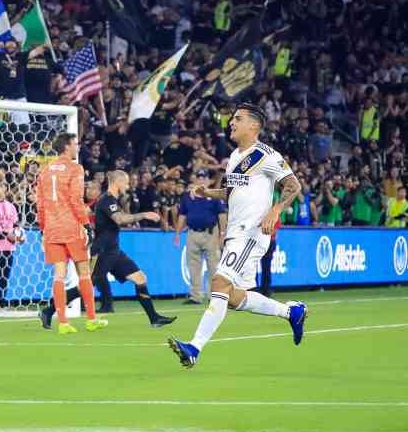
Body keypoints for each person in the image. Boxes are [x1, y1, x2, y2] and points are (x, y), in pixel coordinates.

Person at [169, 103, 306, 369]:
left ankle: (194, 348)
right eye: (232, 119)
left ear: (253, 126)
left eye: (238, 119)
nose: (231, 122)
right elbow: (231, 192)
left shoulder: (265, 154)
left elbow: (293, 185)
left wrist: (275, 211)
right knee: (232, 297)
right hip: (235, 233)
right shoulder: (234, 157)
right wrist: (208, 193)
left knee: (218, 284)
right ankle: (291, 312)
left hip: (252, 231)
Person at [34, 133, 106, 334]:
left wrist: (42, 228)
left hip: (52, 229)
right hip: (71, 227)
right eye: (75, 144)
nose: (78, 147)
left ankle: (63, 323)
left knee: (59, 275)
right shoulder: (75, 169)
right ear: (66, 146)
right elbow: (75, 200)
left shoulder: (45, 171)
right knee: (84, 273)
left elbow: (39, 204)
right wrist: (86, 224)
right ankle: (91, 319)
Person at [92, 170, 177, 328]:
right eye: (125, 182)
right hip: (102, 250)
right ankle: (50, 310)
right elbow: (120, 219)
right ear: (117, 182)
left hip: (113, 250)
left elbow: (121, 216)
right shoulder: (107, 199)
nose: (128, 185)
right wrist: (144, 214)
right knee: (85, 285)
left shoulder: (113, 200)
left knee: (140, 278)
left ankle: (154, 319)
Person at [174, 169, 226, 305]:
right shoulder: (187, 197)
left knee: (213, 266)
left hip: (210, 233)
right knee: (193, 266)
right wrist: (178, 233)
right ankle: (195, 296)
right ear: (195, 180)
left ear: (208, 180)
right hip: (192, 233)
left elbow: (222, 215)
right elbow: (182, 215)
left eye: (204, 177)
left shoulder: (214, 195)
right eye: (199, 177)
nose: (201, 180)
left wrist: (222, 234)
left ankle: (213, 296)